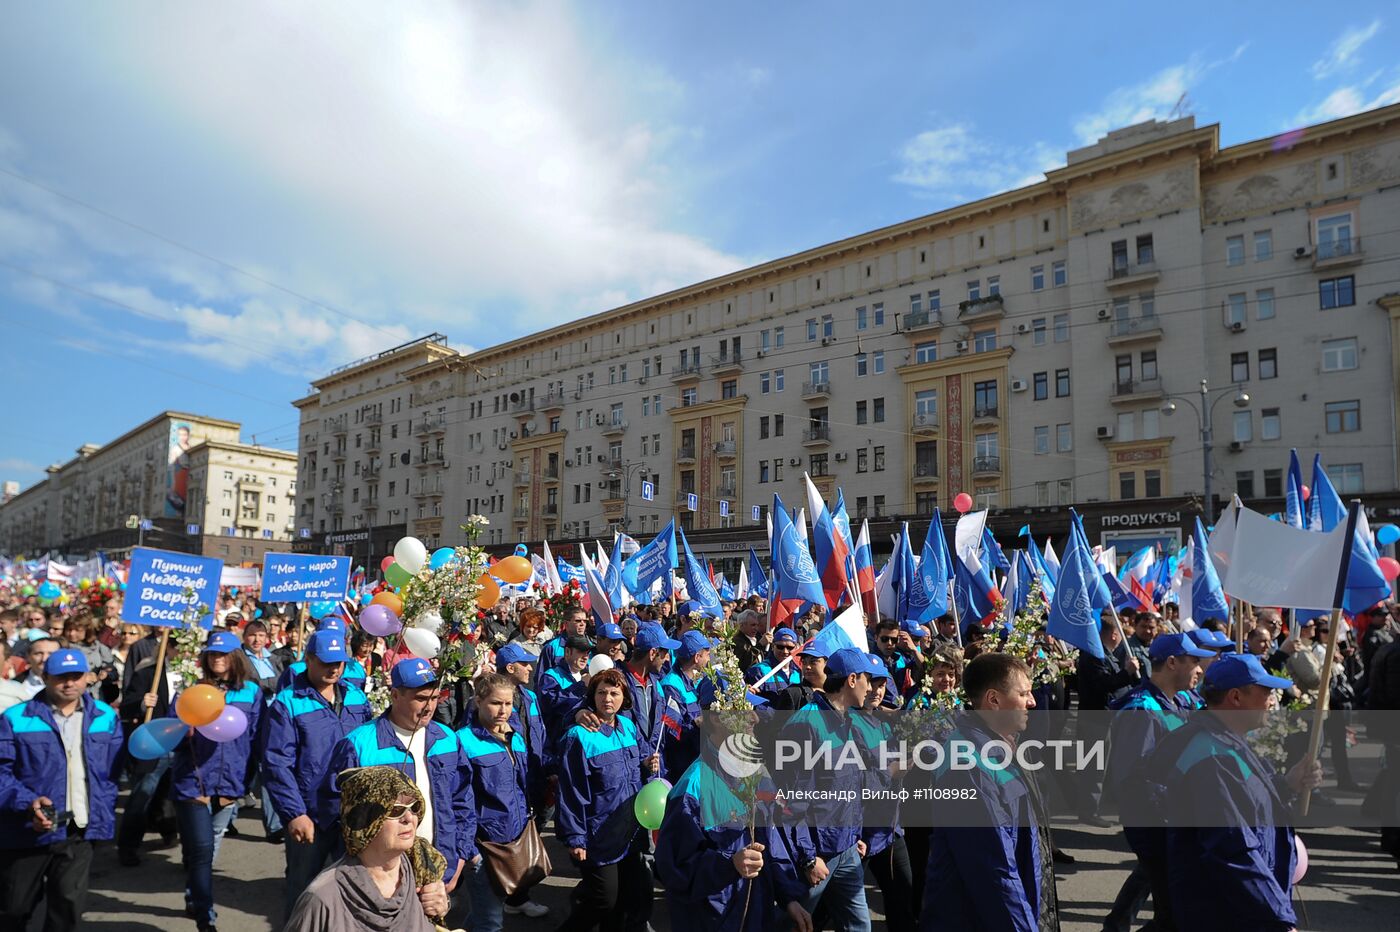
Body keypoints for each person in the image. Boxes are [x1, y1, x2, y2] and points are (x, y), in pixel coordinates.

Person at [1152, 653, 1322, 931]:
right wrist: (1277, 916)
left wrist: (1288, 784)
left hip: (1238, 907)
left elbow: (1246, 800)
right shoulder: (1212, 757)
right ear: (1235, 697)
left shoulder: (1226, 741)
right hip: (1228, 912)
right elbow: (1233, 849)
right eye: (1265, 691)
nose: (1271, 700)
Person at [922, 652, 1056, 931]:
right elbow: (994, 870)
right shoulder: (968, 766)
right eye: (1024, 694)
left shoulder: (1006, 747)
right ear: (994, 700)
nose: (1032, 702)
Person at [0, 648, 123, 932]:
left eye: (76, 676)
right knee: (13, 908)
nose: (69, 683)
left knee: (67, 909)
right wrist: (28, 803)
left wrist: (102, 803)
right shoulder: (15, 718)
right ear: (45, 677)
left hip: (77, 831)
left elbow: (111, 771)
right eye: (61, 677)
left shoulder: (105, 716)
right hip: (27, 832)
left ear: (87, 678)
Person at [324, 657, 469, 896]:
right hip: (379, 876)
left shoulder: (448, 738)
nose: (429, 707)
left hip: (438, 870)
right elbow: (334, 812)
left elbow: (463, 801)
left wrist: (459, 857)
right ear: (395, 695)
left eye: (434, 698)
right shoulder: (359, 744)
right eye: (420, 699)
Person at [655, 720, 813, 932]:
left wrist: (788, 898)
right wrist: (729, 865)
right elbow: (674, 868)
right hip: (711, 920)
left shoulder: (755, 773)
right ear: (716, 721)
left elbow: (770, 843)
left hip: (756, 914)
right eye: (740, 715)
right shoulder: (693, 786)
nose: (753, 722)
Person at [1103, 632, 1213, 932]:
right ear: (1173, 662)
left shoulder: (1183, 701)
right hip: (1156, 821)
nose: (1200, 669)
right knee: (1175, 914)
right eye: (1194, 662)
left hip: (1175, 819)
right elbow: (1136, 780)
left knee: (1171, 909)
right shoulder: (1143, 710)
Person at [263, 629, 374, 917]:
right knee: (304, 895)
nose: (333, 668)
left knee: (353, 894)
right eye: (326, 661)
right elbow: (277, 764)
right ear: (308, 659)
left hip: (353, 815)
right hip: (310, 814)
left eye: (338, 662)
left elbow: (370, 745)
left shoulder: (356, 697)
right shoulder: (287, 702)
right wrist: (294, 813)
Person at [170, 631, 266, 932]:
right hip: (193, 783)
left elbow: (256, 739)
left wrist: (247, 783)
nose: (217, 659)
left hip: (230, 785)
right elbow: (168, 737)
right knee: (201, 849)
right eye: (212, 654)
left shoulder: (251, 692)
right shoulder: (191, 689)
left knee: (207, 850)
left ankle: (193, 892)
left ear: (236, 657)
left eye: (223, 654)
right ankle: (205, 915)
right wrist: (179, 732)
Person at [284, 766, 449, 932]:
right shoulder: (322, 898)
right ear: (365, 821)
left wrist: (441, 905)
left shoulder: (421, 868)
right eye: (396, 810)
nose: (409, 818)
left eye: (414, 807)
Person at [777, 647, 872, 932]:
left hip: (846, 850)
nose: (872, 688)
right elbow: (791, 801)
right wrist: (807, 858)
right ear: (852, 680)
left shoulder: (849, 722)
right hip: (816, 855)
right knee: (794, 924)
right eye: (868, 679)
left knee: (859, 927)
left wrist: (853, 833)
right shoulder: (805, 725)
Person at [555, 667, 656, 932]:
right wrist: (575, 836)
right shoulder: (580, 737)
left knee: (622, 901)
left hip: (630, 831)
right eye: (601, 693)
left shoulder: (629, 727)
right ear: (592, 697)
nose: (607, 699)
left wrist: (649, 763)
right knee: (602, 899)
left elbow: (642, 763)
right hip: (598, 834)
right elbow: (571, 790)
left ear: (625, 698)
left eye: (614, 693)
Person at [457, 673, 551, 930]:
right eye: (496, 703)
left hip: (513, 842)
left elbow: (522, 788)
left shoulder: (516, 738)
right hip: (484, 847)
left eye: (508, 704)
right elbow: (456, 800)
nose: (503, 710)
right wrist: (471, 852)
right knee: (491, 922)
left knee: (484, 913)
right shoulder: (463, 742)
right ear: (478, 702)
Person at [1075, 616, 1141, 826]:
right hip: (1096, 718)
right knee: (1094, 767)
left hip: (1104, 717)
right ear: (1114, 635)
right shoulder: (1095, 655)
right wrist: (1127, 673)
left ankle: (1093, 806)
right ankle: (1088, 811)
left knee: (1101, 765)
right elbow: (1103, 684)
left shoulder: (1105, 654)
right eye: (1120, 635)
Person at [659, 630, 716, 779]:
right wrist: (696, 725)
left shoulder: (693, 681)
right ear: (697, 657)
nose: (709, 658)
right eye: (707, 654)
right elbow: (671, 730)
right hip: (681, 766)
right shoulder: (671, 686)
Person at [745, 627, 802, 698]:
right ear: (772, 646)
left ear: (796, 648)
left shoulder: (799, 672)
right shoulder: (758, 670)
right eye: (780, 647)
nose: (785, 651)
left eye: (790, 648)